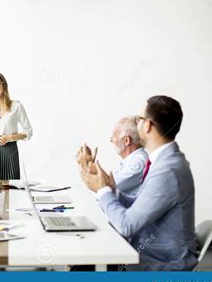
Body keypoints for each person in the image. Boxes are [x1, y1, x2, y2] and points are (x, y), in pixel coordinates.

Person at [79, 96, 198, 271]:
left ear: (148, 125)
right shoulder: (164, 161)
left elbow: (127, 226)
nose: (137, 123)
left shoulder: (167, 170)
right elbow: (140, 206)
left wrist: (103, 191)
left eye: (139, 119)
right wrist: (113, 191)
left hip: (160, 268)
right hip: (151, 258)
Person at [109, 116, 148, 195]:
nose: (111, 139)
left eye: (114, 135)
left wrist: (87, 166)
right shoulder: (135, 160)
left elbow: (105, 190)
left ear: (126, 140)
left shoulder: (138, 163)